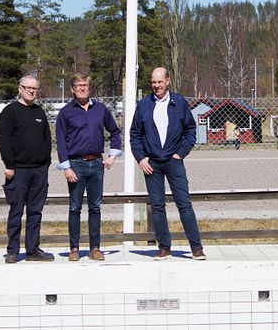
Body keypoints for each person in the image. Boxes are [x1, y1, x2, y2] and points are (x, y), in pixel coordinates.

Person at [129, 67, 206, 261]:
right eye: (153, 82)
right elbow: (135, 135)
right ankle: (164, 248)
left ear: (168, 81)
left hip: (174, 161)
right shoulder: (144, 105)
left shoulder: (179, 103)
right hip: (151, 163)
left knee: (184, 205)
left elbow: (190, 131)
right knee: (157, 207)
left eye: (160, 82)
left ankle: (196, 247)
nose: (156, 86)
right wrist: (141, 158)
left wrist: (180, 154)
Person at [55, 72, 122, 262]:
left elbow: (115, 131)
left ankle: (95, 248)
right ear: (72, 89)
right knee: (75, 207)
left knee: (95, 208)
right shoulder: (66, 112)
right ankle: (74, 248)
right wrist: (66, 168)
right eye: (79, 85)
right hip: (76, 165)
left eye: (85, 85)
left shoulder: (100, 109)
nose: (82, 88)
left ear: (89, 87)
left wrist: (112, 156)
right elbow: (60, 142)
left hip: (97, 164)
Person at [0, 75, 54, 263]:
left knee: (35, 212)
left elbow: (47, 139)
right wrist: (9, 165)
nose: (31, 91)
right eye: (27, 87)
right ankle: (13, 250)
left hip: (39, 170)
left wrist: (46, 162)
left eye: (34, 88)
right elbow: (4, 140)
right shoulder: (9, 112)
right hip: (18, 171)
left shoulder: (39, 112)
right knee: (16, 211)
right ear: (19, 88)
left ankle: (32, 249)